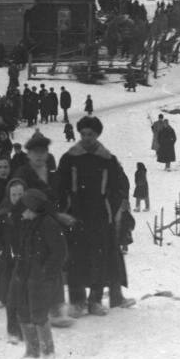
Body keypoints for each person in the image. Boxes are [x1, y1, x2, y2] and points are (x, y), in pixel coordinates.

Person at [56, 116, 135, 317]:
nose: (86, 138)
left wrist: (110, 206)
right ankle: (77, 301)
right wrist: (64, 209)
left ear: (97, 135)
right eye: (83, 134)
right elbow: (59, 186)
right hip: (76, 214)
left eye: (90, 134)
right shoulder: (70, 157)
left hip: (100, 215)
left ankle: (95, 300)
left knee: (99, 258)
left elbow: (118, 187)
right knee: (76, 258)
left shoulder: (107, 159)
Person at [10, 189, 67, 359]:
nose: (23, 211)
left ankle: (48, 352)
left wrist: (45, 272)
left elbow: (60, 252)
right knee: (24, 312)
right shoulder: (29, 223)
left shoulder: (48, 224)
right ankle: (32, 351)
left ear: (34, 208)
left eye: (25, 208)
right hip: (26, 276)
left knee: (39, 315)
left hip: (40, 280)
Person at [0, 178, 27, 343]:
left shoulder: (30, 213)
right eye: (13, 194)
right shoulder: (3, 214)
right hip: (9, 262)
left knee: (25, 296)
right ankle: (12, 329)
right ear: (8, 195)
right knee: (11, 298)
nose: (17, 197)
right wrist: (0, 250)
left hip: (26, 260)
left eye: (20, 194)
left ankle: (25, 328)